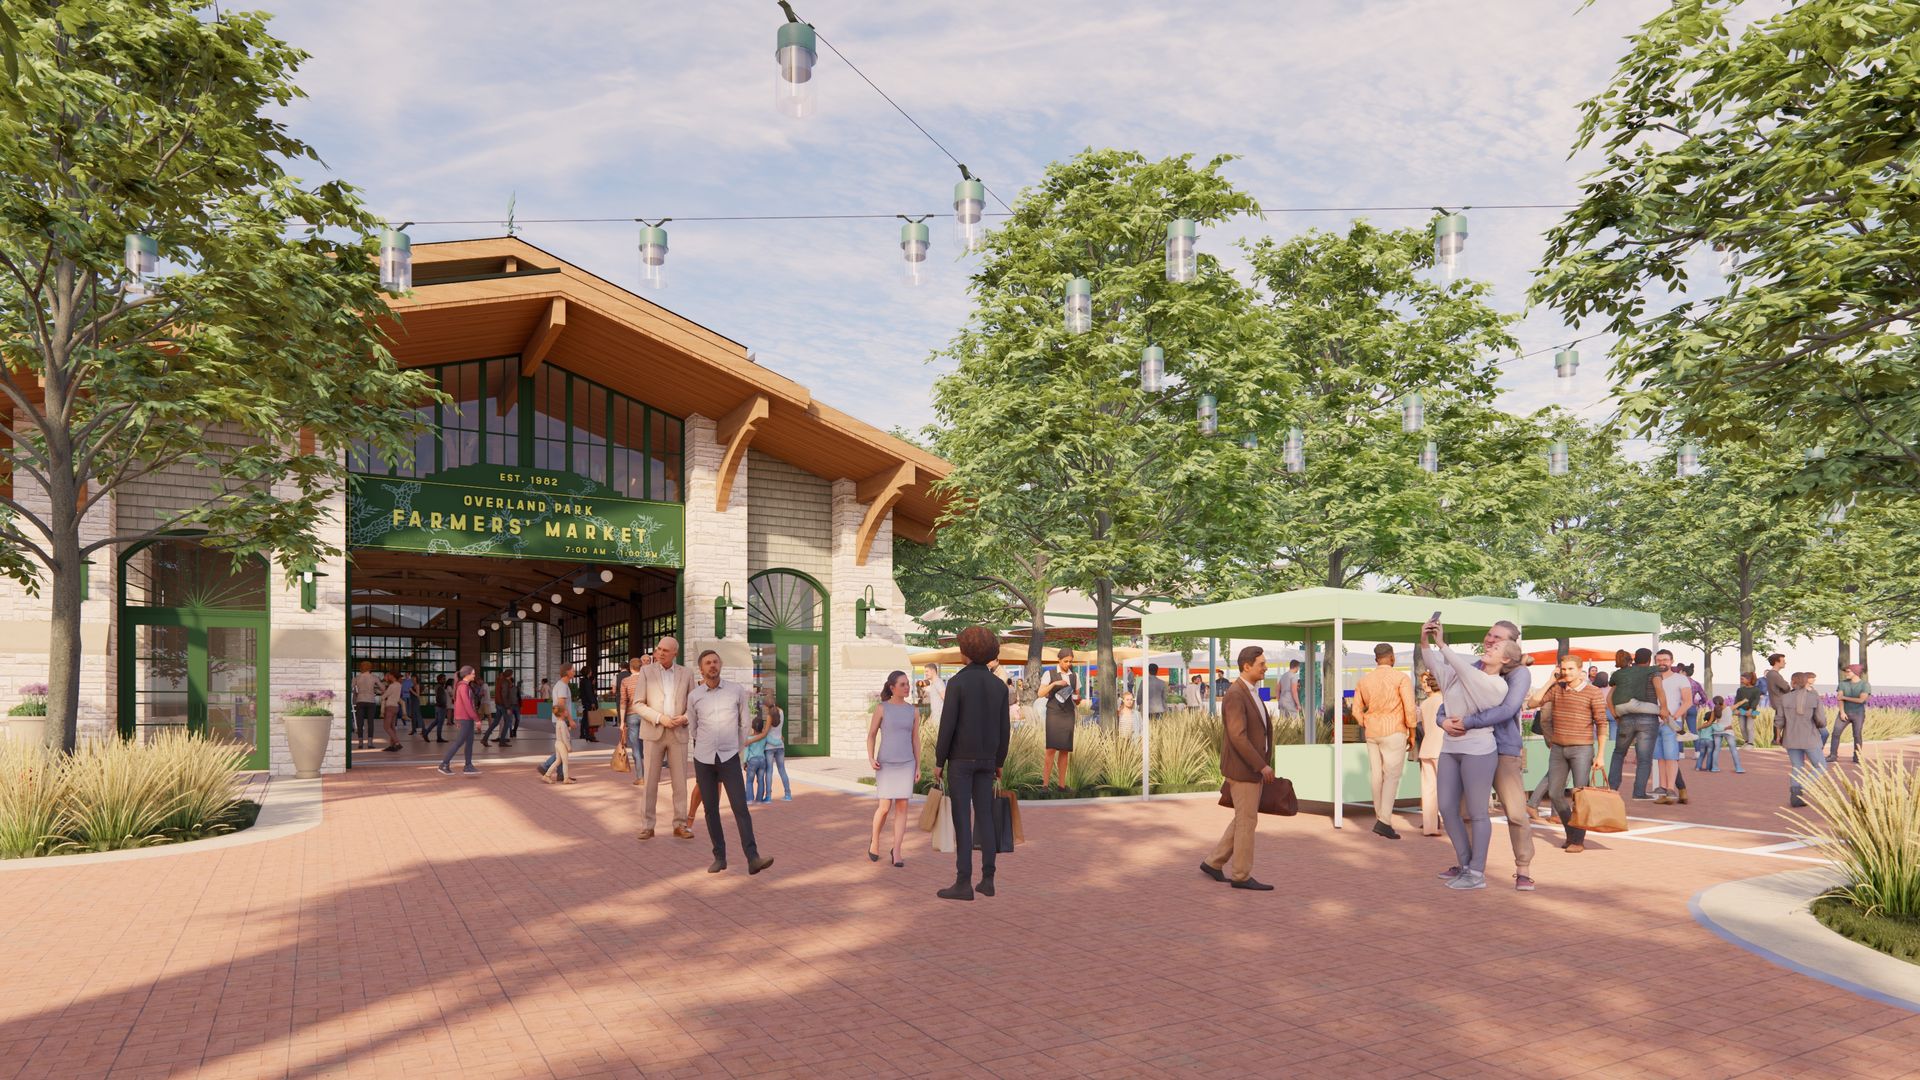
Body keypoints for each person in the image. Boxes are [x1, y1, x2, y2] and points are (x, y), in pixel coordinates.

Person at [1423, 618, 1526, 891]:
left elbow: (1503, 710)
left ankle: (1500, 870)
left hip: (1491, 749)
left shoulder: (1506, 680)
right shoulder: (1469, 668)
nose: (1490, 641)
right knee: (1449, 808)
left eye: (1498, 640)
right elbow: (1445, 687)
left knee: (1501, 813)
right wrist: (1443, 721)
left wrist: (1441, 643)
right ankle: (1467, 865)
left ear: (1508, 654)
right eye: (1490, 636)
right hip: (1453, 746)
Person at [933, 626, 1012, 901]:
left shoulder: (957, 683)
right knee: (985, 817)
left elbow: (948, 726)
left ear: (965, 651)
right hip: (987, 759)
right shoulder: (999, 686)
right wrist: (999, 760)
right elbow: (1005, 729)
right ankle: (988, 880)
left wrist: (939, 760)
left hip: (960, 760)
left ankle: (963, 882)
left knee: (962, 819)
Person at [687, 649, 774, 875]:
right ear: (701, 668)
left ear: (721, 664)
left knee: (740, 807)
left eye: (715, 661)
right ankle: (719, 857)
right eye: (708, 663)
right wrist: (706, 745)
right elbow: (693, 729)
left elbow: (744, 723)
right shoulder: (695, 696)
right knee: (710, 809)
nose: (712, 666)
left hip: (729, 758)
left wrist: (735, 748)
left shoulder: (735, 691)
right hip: (704, 759)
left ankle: (753, 858)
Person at [1201, 645, 1277, 891]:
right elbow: (1238, 736)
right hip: (1245, 769)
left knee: (1244, 818)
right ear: (1247, 666)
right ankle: (1241, 875)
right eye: (1261, 664)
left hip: (1250, 768)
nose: (1265, 667)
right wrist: (1261, 765)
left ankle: (1213, 862)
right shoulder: (1236, 694)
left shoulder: (1251, 691)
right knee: (1246, 822)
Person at [1532, 656, 1607, 854]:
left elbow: (1601, 723)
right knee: (1555, 793)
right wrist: (1550, 681)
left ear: (1581, 670)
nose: (1567, 673)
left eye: (1571, 669)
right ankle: (1570, 833)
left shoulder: (1593, 692)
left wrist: (1600, 755)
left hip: (1582, 749)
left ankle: (1578, 840)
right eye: (1564, 669)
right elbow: (1533, 702)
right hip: (1558, 748)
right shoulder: (1557, 689)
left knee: (1579, 795)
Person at [1352, 643, 1417, 840]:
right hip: (1394, 730)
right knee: (1392, 776)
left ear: (1376, 659)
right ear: (1392, 657)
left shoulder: (1364, 680)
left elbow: (1356, 710)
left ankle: (1380, 817)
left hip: (1372, 732)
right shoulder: (1401, 678)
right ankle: (1384, 821)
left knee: (1376, 775)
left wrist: (1367, 722)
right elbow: (1410, 708)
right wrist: (1412, 732)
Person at [634, 637, 695, 841]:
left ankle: (680, 824)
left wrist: (685, 717)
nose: (660, 653)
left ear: (675, 653)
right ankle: (647, 826)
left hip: (679, 732)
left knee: (680, 783)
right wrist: (660, 718)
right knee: (650, 781)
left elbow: (694, 703)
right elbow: (638, 704)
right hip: (654, 731)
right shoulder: (646, 671)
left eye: (665, 650)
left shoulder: (686, 674)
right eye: (658, 649)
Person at [867, 670, 920, 867]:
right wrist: (871, 757)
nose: (907, 687)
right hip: (886, 764)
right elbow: (871, 734)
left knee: (902, 806)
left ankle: (897, 850)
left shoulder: (913, 711)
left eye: (908, 684)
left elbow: (916, 739)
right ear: (892, 688)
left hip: (907, 763)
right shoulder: (882, 708)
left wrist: (918, 765)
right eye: (903, 684)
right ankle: (875, 841)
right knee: (884, 807)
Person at [1608, 648, 1661, 801]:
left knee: (1618, 753)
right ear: (1650, 660)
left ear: (1634, 659)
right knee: (1644, 758)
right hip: (1648, 720)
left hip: (1626, 719)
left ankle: (1612, 788)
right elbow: (1659, 690)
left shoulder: (1624, 674)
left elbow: (1609, 698)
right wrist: (1663, 708)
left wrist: (1616, 716)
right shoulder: (1653, 673)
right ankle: (1639, 792)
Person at [1779, 671, 1829, 807]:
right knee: (1821, 766)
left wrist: (1778, 736)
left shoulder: (1784, 698)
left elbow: (1779, 720)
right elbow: (1822, 721)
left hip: (1791, 738)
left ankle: (1795, 794)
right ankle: (1803, 787)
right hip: (1810, 738)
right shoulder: (1814, 698)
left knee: (1797, 766)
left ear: (1793, 683)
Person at [1040, 648, 1079, 792]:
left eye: (1070, 661)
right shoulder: (1049, 674)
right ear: (1059, 660)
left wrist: (1078, 699)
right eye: (1065, 661)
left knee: (1065, 750)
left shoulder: (1074, 676)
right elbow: (1040, 693)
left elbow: (1076, 695)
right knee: (1050, 749)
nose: (1068, 664)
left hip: (1068, 714)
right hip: (1054, 714)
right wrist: (1054, 684)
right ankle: (1045, 785)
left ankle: (1061, 785)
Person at [1653, 650, 1688, 804]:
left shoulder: (1680, 679)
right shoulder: (1652, 678)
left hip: (1672, 722)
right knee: (1660, 757)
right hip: (1654, 721)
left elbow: (1688, 701)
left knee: (1671, 757)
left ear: (1672, 661)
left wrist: (1673, 717)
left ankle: (1670, 789)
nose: (1662, 662)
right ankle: (1662, 788)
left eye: (1665, 660)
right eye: (1659, 660)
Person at [436, 666, 483, 776]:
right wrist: (477, 719)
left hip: (466, 718)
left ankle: (468, 766)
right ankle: (444, 764)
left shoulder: (464, 686)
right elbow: (467, 705)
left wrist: (457, 718)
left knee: (469, 742)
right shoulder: (463, 687)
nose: (474, 675)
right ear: (467, 674)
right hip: (466, 719)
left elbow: (457, 703)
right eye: (473, 673)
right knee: (459, 742)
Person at [1415, 670, 1445, 837]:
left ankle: (1430, 827)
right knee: (1448, 788)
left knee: (1428, 789)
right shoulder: (1445, 701)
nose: (1423, 685)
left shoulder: (1425, 704)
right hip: (1442, 749)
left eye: (1426, 682)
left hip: (1426, 749)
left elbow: (1424, 729)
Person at [540, 663, 577, 784]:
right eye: (572, 670)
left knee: (562, 747)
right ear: (567, 672)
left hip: (560, 719)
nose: (574, 671)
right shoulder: (562, 686)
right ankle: (546, 766)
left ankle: (561, 775)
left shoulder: (562, 685)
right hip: (561, 720)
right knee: (564, 747)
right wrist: (570, 720)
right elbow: (562, 705)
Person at [616, 655, 649, 786]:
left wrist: (622, 722)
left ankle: (640, 777)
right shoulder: (647, 680)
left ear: (630, 668)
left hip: (631, 715)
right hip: (646, 715)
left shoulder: (625, 681)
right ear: (641, 667)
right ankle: (649, 775)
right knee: (646, 747)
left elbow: (623, 702)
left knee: (635, 747)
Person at [1832, 663, 1870, 764]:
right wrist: (1842, 712)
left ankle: (1857, 757)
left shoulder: (1865, 685)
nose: (1845, 673)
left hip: (1858, 714)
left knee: (1857, 735)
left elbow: (1861, 700)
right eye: (1845, 671)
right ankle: (1833, 755)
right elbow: (1839, 698)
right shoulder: (1842, 684)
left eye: (1848, 671)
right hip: (1844, 713)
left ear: (1856, 672)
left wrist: (1844, 697)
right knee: (1836, 733)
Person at [761, 689, 791, 801]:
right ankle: (788, 794)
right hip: (780, 745)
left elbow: (765, 732)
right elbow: (779, 729)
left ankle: (768, 797)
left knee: (769, 771)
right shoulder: (781, 712)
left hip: (769, 747)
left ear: (766, 705)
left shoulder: (770, 715)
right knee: (782, 770)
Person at [744, 701, 773, 802]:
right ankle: (759, 799)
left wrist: (744, 762)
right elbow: (772, 742)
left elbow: (746, 751)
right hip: (762, 761)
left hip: (752, 761)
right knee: (761, 780)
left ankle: (749, 799)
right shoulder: (764, 737)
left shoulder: (749, 738)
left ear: (752, 727)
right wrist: (780, 739)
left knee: (749, 781)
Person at [1763, 652, 1792, 745]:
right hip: (1780, 701)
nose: (1785, 662)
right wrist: (1787, 684)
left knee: (1779, 720)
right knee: (1780, 721)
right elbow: (1786, 687)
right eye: (1783, 661)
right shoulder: (1774, 674)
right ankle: (1777, 739)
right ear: (1776, 662)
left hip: (1777, 701)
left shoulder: (1771, 674)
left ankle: (1777, 739)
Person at [351, 660, 380, 750]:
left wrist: (356, 693)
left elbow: (350, 688)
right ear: (370, 667)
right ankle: (370, 743)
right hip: (371, 700)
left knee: (360, 722)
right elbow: (382, 688)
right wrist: (375, 691)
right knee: (370, 722)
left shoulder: (357, 677)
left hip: (360, 700)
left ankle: (360, 743)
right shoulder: (374, 677)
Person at [483, 671, 515, 746]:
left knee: (495, 722)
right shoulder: (505, 682)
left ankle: (485, 739)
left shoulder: (499, 681)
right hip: (504, 705)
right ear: (510, 675)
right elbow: (504, 695)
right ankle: (502, 741)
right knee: (508, 722)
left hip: (498, 704)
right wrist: (508, 707)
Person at [1733, 673, 1762, 745]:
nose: (1741, 681)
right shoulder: (1740, 690)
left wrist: (1751, 709)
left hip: (1751, 711)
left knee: (1749, 727)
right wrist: (1736, 709)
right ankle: (1746, 741)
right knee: (1742, 727)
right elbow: (1737, 699)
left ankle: (1750, 742)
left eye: (1742, 679)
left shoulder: (1756, 690)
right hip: (1741, 711)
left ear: (1748, 680)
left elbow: (1756, 700)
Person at [378, 671, 404, 752]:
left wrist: (381, 695)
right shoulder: (399, 685)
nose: (388, 677)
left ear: (393, 676)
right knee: (392, 727)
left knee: (386, 727)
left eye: (389, 675)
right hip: (396, 707)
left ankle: (397, 743)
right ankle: (392, 746)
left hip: (389, 707)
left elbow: (384, 696)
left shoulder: (392, 686)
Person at [423, 675, 449, 744]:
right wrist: (444, 705)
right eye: (443, 679)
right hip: (441, 707)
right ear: (439, 680)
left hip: (438, 707)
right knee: (440, 723)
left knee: (436, 721)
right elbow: (440, 698)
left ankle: (426, 733)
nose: (445, 680)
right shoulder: (440, 687)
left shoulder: (438, 686)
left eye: (445, 679)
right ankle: (439, 738)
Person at [578, 666, 601, 743]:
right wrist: (592, 703)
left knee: (585, 719)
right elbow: (589, 693)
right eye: (590, 671)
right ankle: (589, 735)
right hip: (589, 703)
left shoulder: (583, 681)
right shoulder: (587, 681)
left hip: (585, 702)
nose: (591, 672)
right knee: (589, 720)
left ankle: (583, 734)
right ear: (588, 672)